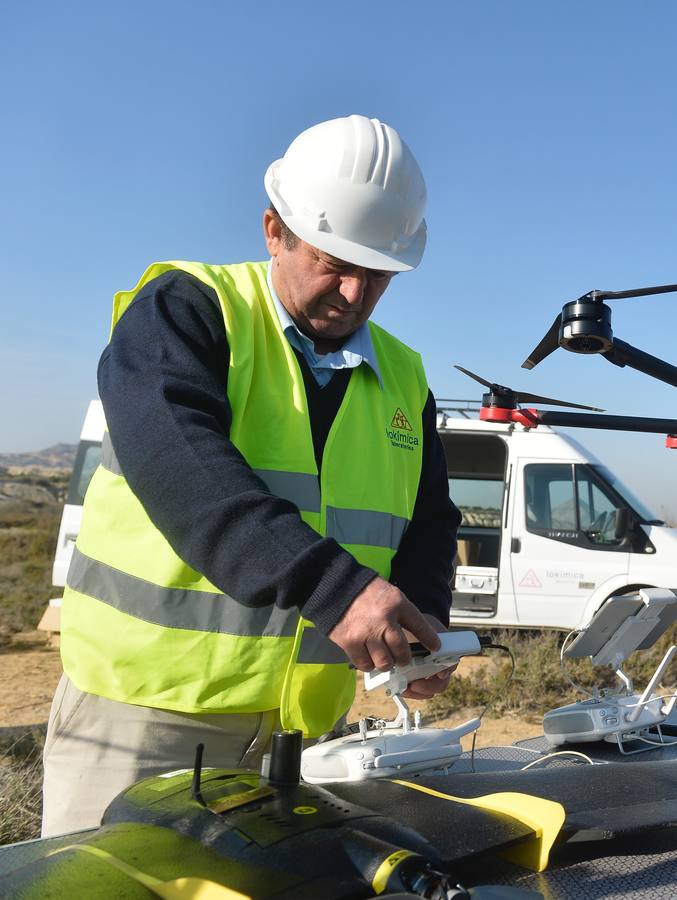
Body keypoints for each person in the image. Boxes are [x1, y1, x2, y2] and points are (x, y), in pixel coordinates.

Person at [41, 115, 461, 836]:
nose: (354, 292)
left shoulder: (403, 375)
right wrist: (335, 589)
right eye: (333, 262)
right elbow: (181, 464)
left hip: (298, 731)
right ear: (275, 231)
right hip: (146, 717)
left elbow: (428, 518)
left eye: (377, 273)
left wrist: (423, 623)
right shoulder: (188, 311)